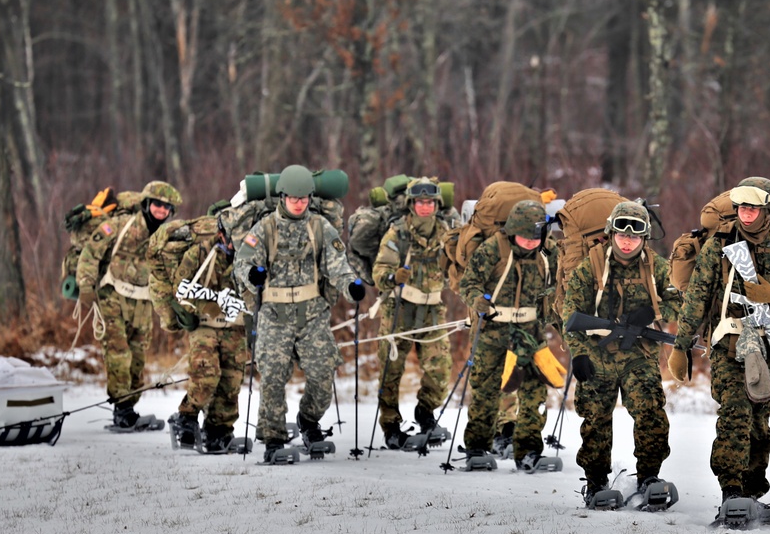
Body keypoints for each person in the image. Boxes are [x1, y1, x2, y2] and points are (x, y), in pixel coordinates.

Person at [667, 176, 770, 505]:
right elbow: (697, 298)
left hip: (768, 343)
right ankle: (731, 491)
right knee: (736, 411)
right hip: (728, 341)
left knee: (759, 421)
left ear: (767, 209)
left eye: (752, 207)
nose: (745, 213)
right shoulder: (719, 244)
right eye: (740, 207)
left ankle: (751, 489)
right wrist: (681, 345)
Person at [233, 164, 364, 462]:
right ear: (282, 197)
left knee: (322, 372)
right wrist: (252, 274)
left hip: (312, 313)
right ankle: (274, 439)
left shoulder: (319, 226)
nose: (299, 203)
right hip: (274, 314)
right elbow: (242, 263)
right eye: (293, 198)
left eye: (304, 198)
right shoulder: (265, 227)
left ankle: (308, 420)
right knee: (273, 377)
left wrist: (350, 286)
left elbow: (337, 264)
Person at [558, 200, 682, 505]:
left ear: (644, 238)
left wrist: (652, 312)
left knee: (651, 413)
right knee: (596, 419)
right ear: (611, 232)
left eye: (635, 235)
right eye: (622, 233)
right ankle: (596, 483)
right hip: (596, 352)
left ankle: (650, 477)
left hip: (639, 354)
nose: (628, 240)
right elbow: (570, 313)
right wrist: (578, 355)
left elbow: (682, 300)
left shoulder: (658, 268)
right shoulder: (591, 265)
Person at [458, 199, 561, 470]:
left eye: (535, 237)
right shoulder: (493, 248)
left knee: (534, 391)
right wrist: (476, 299)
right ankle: (478, 448)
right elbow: (467, 282)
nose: (529, 242)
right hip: (493, 329)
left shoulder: (549, 253)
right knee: (486, 389)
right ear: (512, 230)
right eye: (524, 236)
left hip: (530, 330)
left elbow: (559, 290)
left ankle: (528, 451)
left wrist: (560, 317)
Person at [77, 180, 182, 430]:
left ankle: (129, 407)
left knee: (137, 358)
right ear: (146, 204)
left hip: (143, 302)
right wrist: (85, 285)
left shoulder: (165, 237)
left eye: (166, 207)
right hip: (112, 295)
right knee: (118, 354)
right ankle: (122, 409)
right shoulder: (120, 226)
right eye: (157, 204)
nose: (161, 210)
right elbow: (91, 252)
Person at [371, 177, 454, 449]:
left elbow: (462, 263)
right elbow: (379, 272)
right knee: (390, 371)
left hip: (432, 311)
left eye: (430, 202)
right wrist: (393, 276)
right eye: (420, 202)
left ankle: (425, 413)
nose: (425, 207)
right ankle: (391, 425)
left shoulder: (447, 234)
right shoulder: (397, 234)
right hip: (400, 310)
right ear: (411, 204)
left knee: (440, 369)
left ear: (437, 204)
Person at [167, 214, 249, 453]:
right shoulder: (200, 254)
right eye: (233, 238)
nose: (237, 244)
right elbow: (180, 289)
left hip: (234, 326)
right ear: (221, 234)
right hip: (204, 323)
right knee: (207, 373)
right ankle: (186, 417)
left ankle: (218, 431)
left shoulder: (251, 255)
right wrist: (211, 303)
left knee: (232, 380)